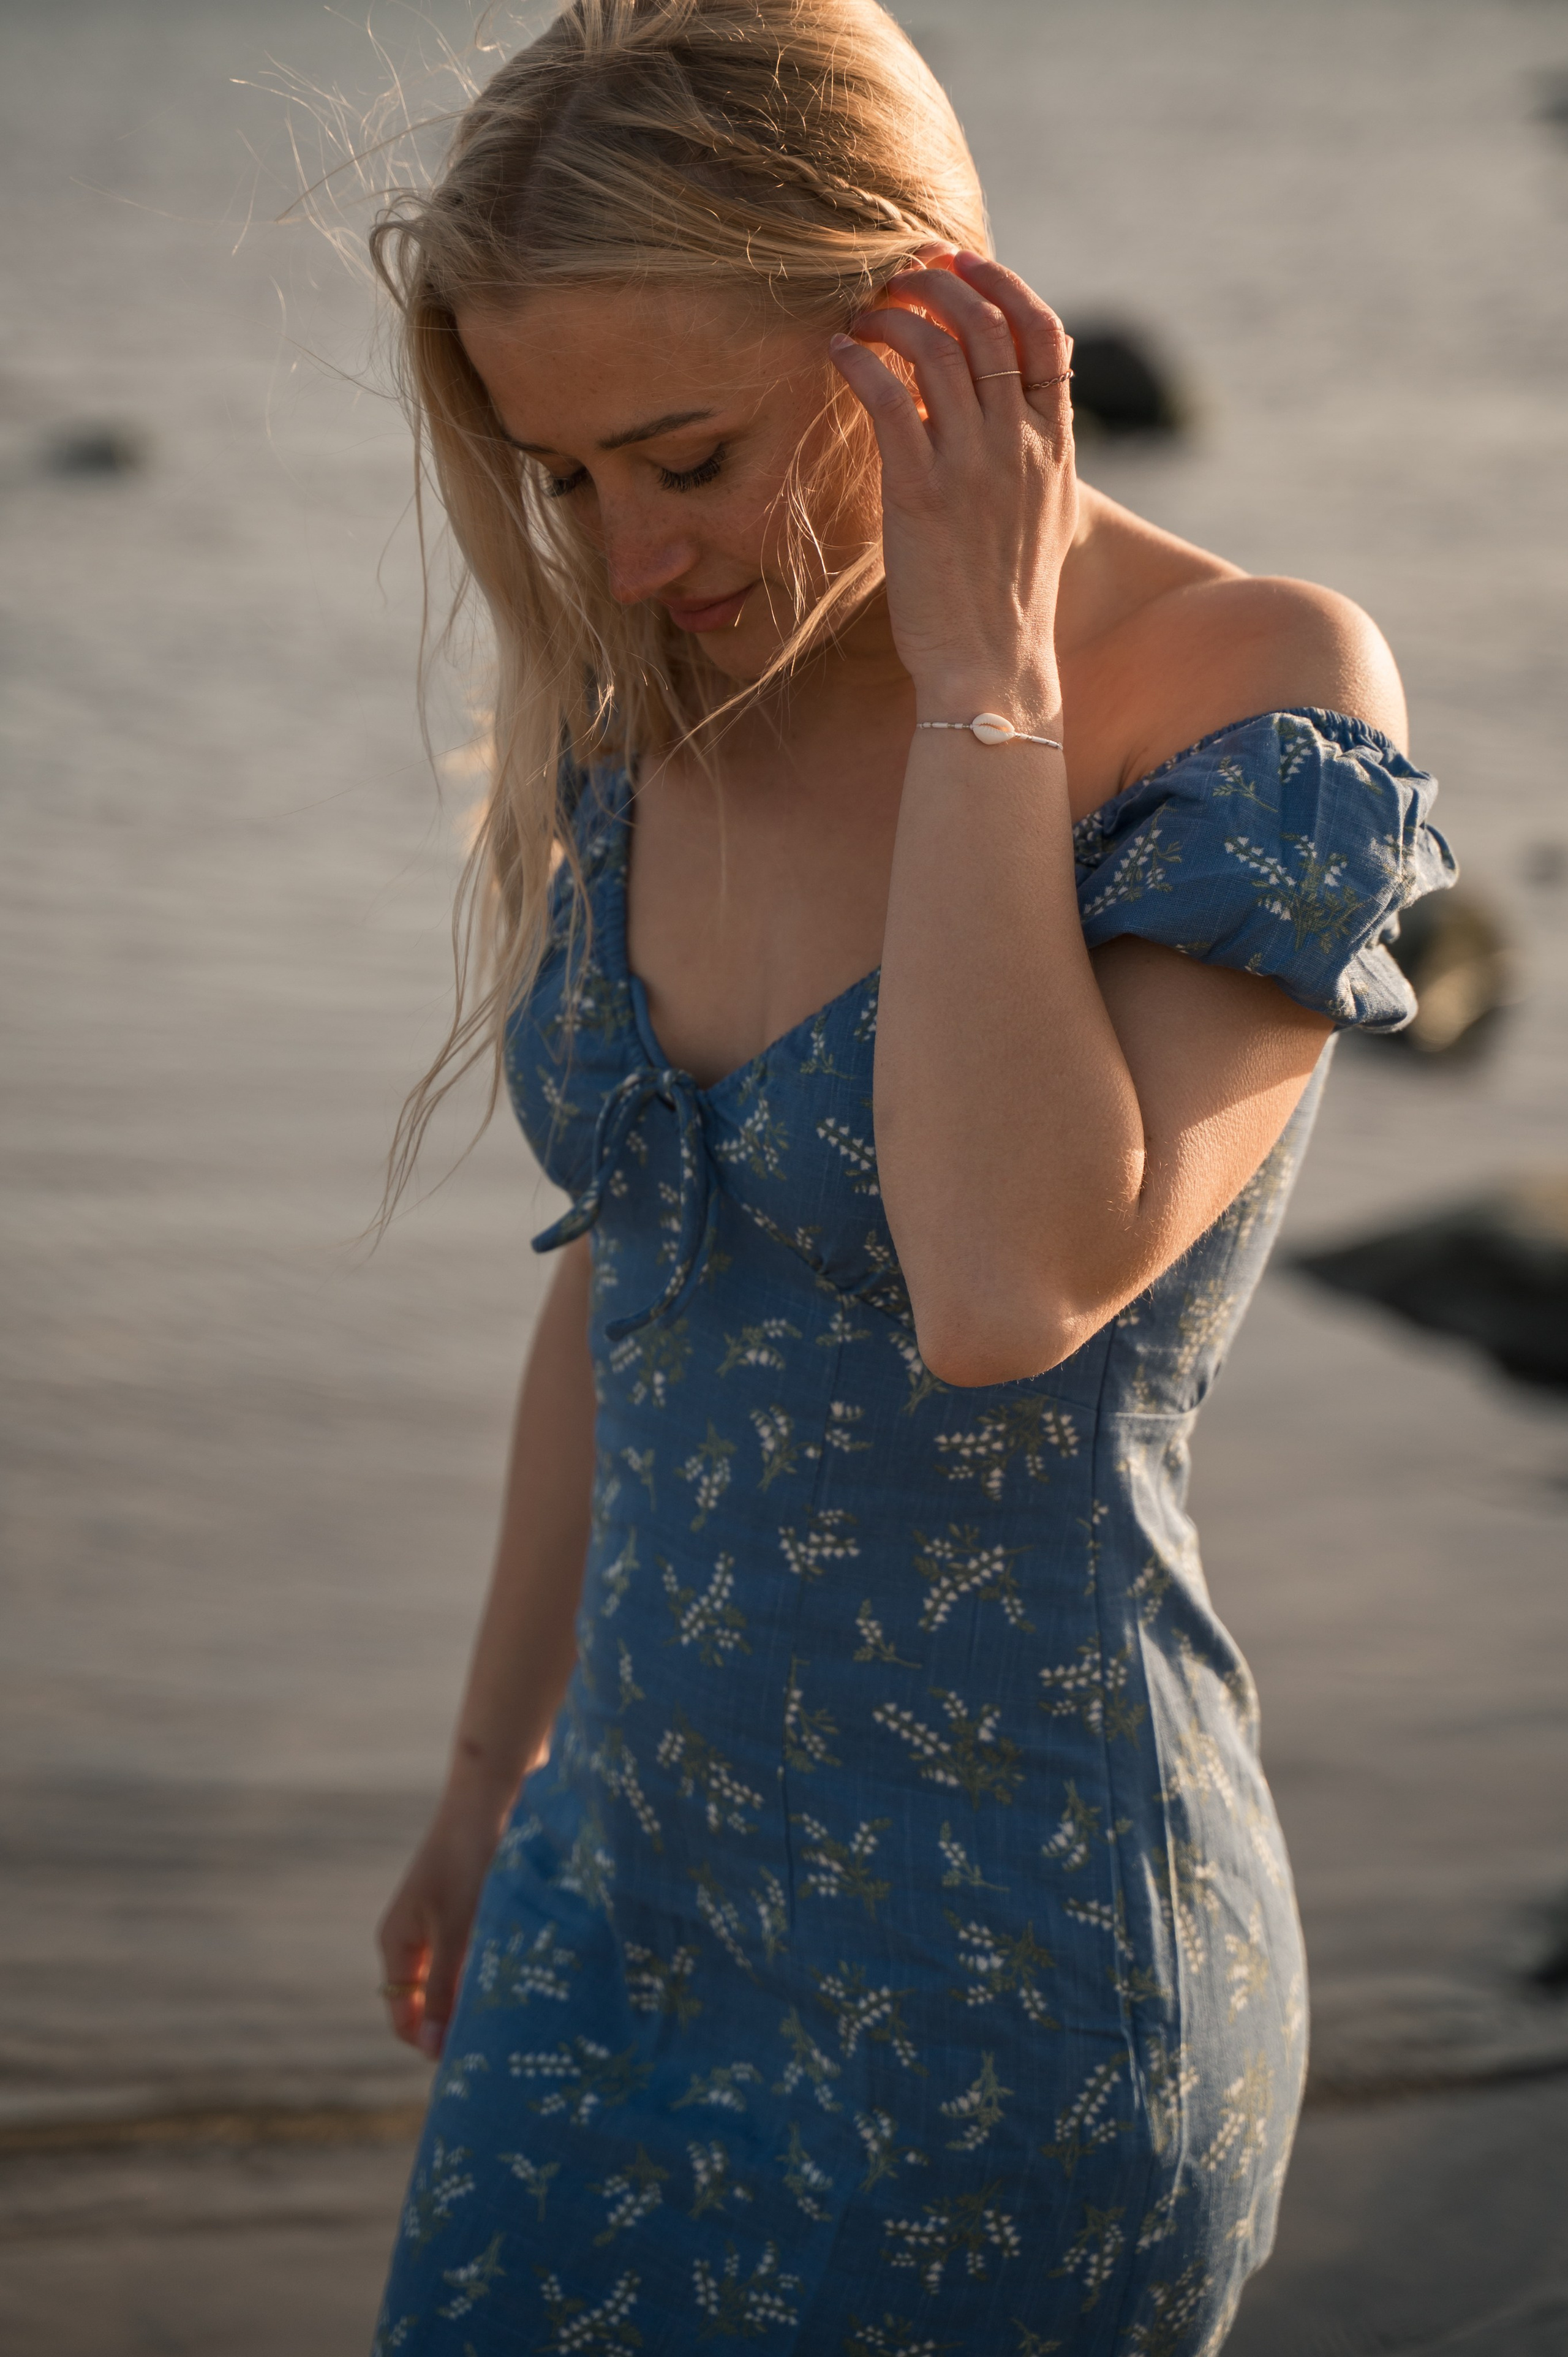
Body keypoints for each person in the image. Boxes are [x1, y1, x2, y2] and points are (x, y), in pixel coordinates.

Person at [366, 1, 1453, 2348]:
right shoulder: (663, 696)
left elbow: (1000, 1279)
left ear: (928, 332)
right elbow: (641, 1277)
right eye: (562, 480)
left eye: (684, 457)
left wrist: (986, 683)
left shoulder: (1245, 691)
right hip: (617, 1898)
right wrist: (486, 1767)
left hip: (1019, 1983)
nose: (627, 556)